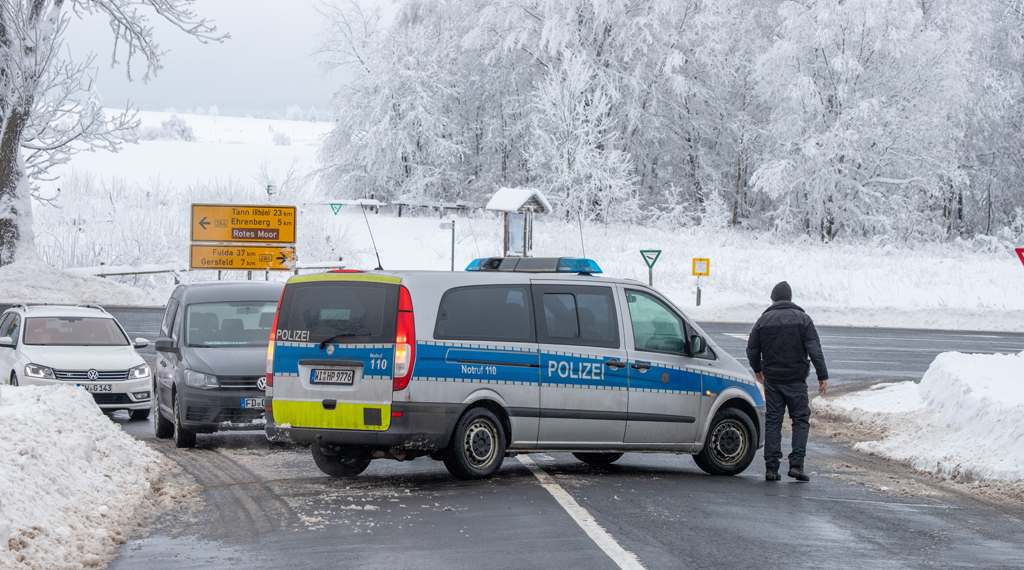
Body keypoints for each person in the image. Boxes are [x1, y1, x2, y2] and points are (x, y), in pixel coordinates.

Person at [746, 281, 828, 482]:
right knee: (800, 421)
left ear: (772, 299)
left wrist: (758, 370)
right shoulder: (803, 319)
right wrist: (822, 375)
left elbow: (752, 349)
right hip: (796, 380)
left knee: (773, 421)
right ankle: (797, 466)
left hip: (772, 380)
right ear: (790, 298)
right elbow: (814, 349)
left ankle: (771, 469)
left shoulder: (763, 321)